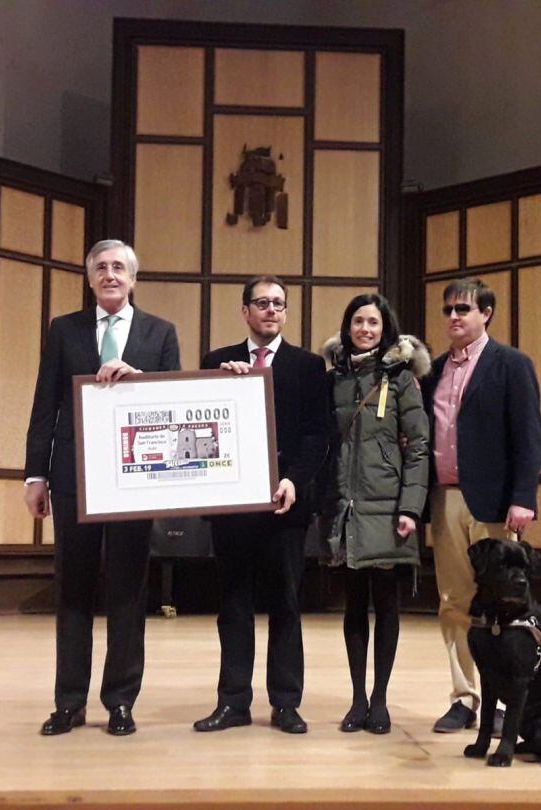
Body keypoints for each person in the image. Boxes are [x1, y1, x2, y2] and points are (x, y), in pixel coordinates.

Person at [24, 239, 179, 737]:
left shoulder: (161, 333)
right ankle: (68, 702)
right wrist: (35, 474)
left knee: (128, 592)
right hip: (72, 477)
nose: (110, 275)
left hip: (135, 481)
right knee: (72, 588)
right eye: (101, 268)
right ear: (89, 278)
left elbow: (175, 406)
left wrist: (140, 379)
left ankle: (120, 701)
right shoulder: (64, 329)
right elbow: (44, 403)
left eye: (119, 268)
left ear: (133, 279)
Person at [193, 275, 329, 735]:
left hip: (285, 504)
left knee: (287, 604)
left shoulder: (310, 367)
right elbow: (203, 427)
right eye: (262, 303)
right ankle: (233, 702)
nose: (271, 310)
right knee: (233, 605)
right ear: (245, 311)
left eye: (279, 304)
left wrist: (293, 479)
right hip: (232, 507)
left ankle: (286, 703)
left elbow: (317, 435)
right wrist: (220, 383)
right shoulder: (217, 361)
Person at [422, 278, 541, 734]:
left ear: (486, 313)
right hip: (445, 498)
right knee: (454, 602)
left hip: (494, 502)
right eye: (449, 310)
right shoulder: (433, 371)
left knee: (502, 604)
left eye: (464, 309)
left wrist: (524, 498)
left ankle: (505, 701)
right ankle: (465, 697)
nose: (455, 317)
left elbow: (529, 437)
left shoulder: (511, 365)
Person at [320, 293, 430, 734]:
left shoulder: (402, 379)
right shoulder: (335, 378)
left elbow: (419, 446)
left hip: (387, 509)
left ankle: (380, 699)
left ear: (386, 329)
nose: (365, 329)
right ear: (347, 326)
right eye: (358, 321)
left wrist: (410, 508)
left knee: (386, 604)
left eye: (374, 322)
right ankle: (357, 699)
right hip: (346, 506)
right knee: (353, 606)